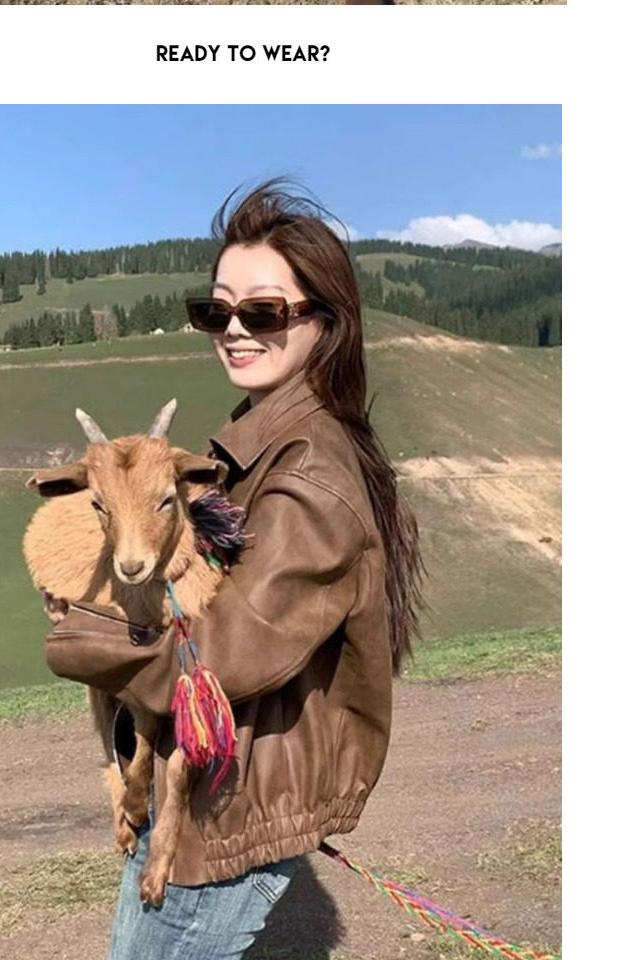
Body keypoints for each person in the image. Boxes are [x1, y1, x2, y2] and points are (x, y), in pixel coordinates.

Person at [44, 180, 424, 960]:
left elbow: (212, 661)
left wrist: (82, 629)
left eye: (264, 312)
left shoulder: (308, 474)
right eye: (216, 312)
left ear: (326, 321)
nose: (235, 331)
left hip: (222, 816)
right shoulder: (256, 444)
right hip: (213, 788)